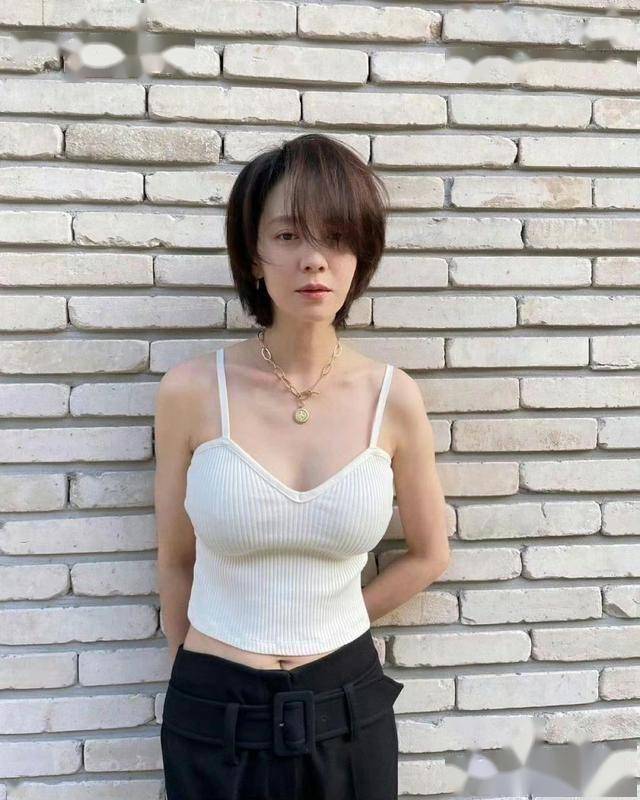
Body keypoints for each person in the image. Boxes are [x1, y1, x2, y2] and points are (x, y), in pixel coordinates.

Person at [154, 133, 450, 799]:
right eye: (287, 235)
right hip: (214, 707)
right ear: (253, 256)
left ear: (360, 254)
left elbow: (430, 554)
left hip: (346, 707)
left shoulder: (393, 397)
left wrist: (333, 621)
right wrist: (187, 674)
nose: (313, 259)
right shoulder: (191, 392)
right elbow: (175, 559)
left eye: (335, 237)